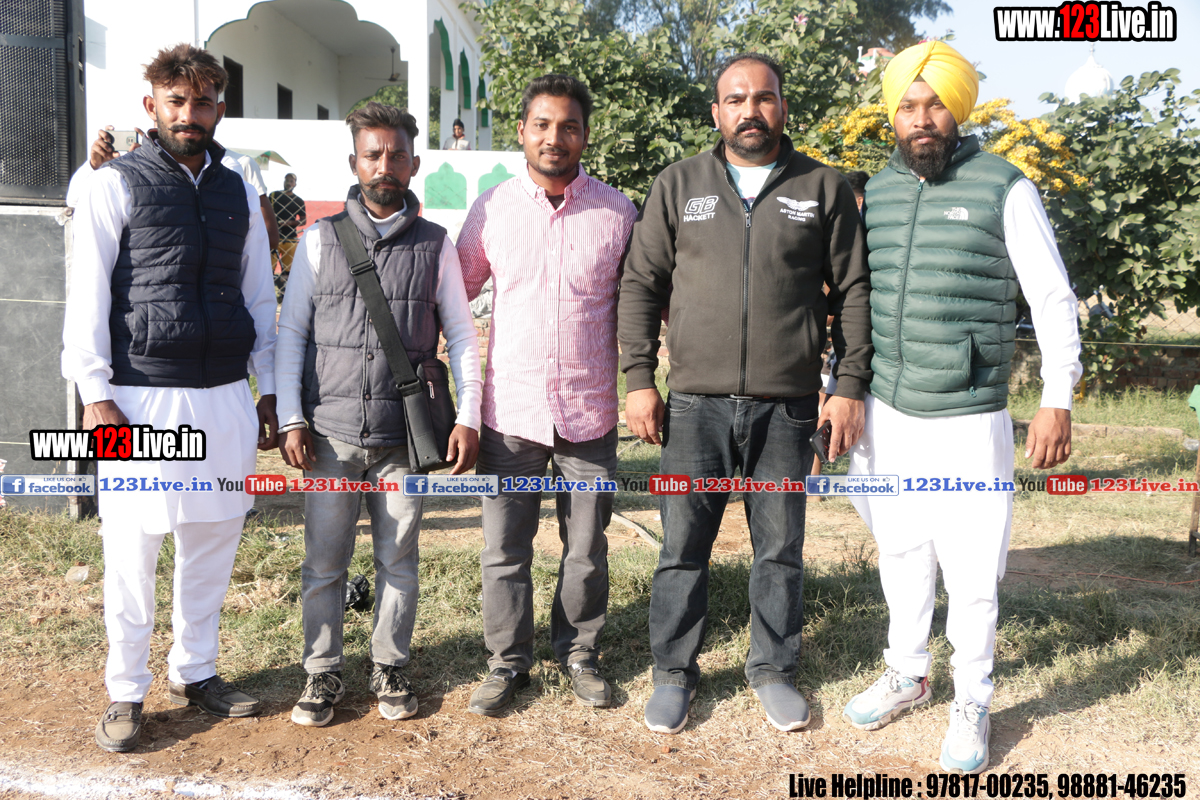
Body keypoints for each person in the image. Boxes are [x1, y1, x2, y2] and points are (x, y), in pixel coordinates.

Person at [840, 41, 1081, 775]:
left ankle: (972, 698)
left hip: (970, 411)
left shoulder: (1005, 186)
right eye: (908, 107)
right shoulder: (875, 192)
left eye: (936, 105)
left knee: (972, 567)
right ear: (893, 115)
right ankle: (906, 671)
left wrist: (1057, 397)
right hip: (889, 407)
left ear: (959, 109)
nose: (922, 119)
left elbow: (1052, 296)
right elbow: (852, 299)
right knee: (901, 549)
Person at [619, 52, 873, 735]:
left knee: (780, 548)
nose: (750, 110)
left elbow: (853, 292)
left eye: (763, 97)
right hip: (693, 406)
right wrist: (639, 379)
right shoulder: (679, 185)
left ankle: (774, 670)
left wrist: (847, 384)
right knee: (681, 547)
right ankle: (673, 674)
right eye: (736, 99)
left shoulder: (823, 187)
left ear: (782, 107)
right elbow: (641, 284)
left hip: (788, 407)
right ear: (716, 113)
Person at [61, 43, 279, 753]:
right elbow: (87, 296)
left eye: (203, 102)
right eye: (177, 101)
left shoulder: (238, 189)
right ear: (150, 106)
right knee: (132, 548)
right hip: (133, 397)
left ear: (219, 109)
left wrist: (269, 391)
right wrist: (95, 395)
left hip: (224, 395)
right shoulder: (112, 183)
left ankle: (196, 671)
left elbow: (258, 297)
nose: (190, 113)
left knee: (213, 539)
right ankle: (126, 690)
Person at [275, 101, 482, 727]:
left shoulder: (436, 245)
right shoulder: (319, 240)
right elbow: (292, 334)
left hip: (402, 440)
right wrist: (291, 418)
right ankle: (322, 672)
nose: (384, 165)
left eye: (396, 155)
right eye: (373, 155)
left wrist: (468, 416)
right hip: (330, 437)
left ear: (414, 164)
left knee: (398, 560)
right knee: (324, 563)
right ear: (354, 163)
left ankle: (389, 664)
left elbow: (462, 336)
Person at [456, 74, 637, 715]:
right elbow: (454, 296)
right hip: (510, 414)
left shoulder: (618, 214)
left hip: (590, 412)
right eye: (542, 124)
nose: (554, 137)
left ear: (584, 136)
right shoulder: (491, 210)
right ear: (522, 131)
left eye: (568, 126)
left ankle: (579, 654)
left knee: (585, 549)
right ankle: (507, 661)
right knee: (504, 550)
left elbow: (642, 304)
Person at [270, 172, 307, 275]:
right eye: (287, 180)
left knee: (288, 271)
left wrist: (289, 223)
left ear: (295, 184)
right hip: (274, 237)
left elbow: (304, 220)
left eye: (291, 181)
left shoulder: (298, 201)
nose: (288, 183)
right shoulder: (274, 196)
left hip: (290, 238)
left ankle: (284, 284)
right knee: (268, 269)